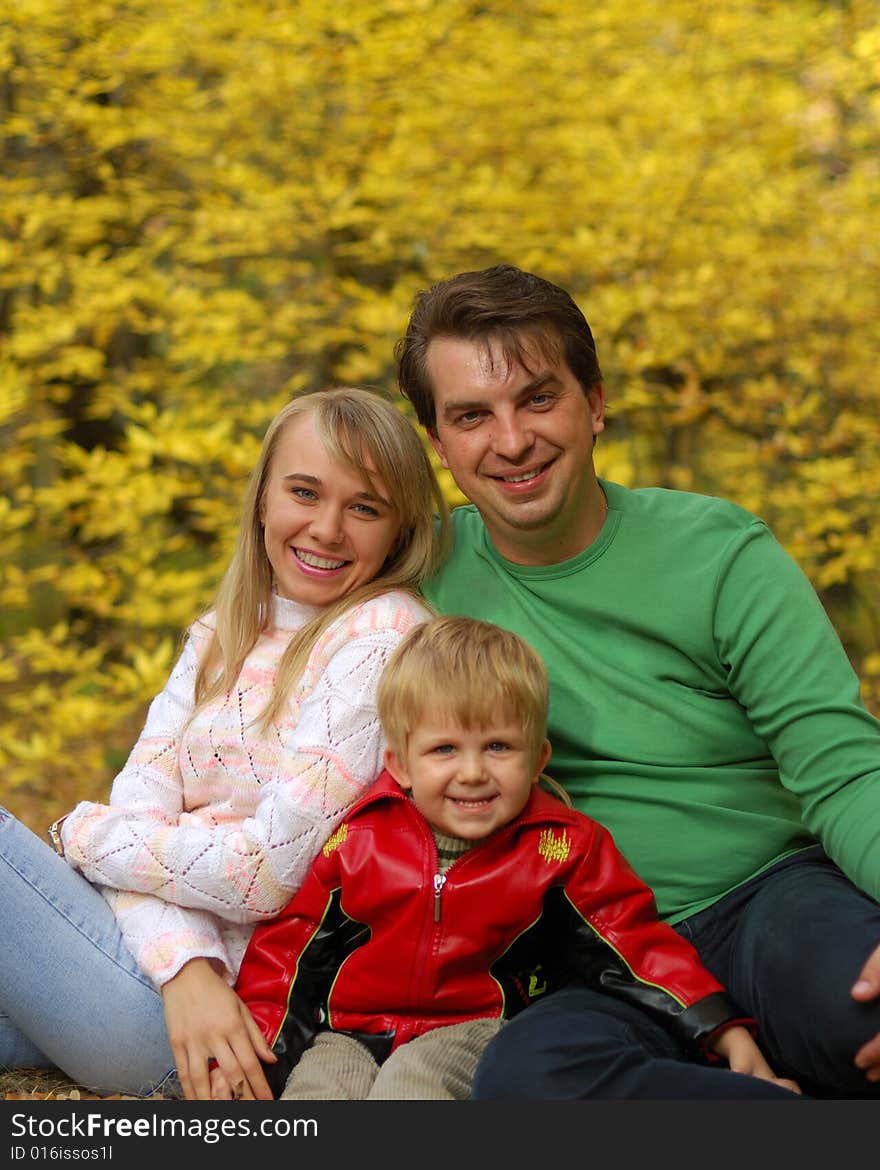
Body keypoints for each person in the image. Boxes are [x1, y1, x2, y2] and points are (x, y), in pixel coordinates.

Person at [394, 263, 880, 1100]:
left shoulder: (720, 555)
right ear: (438, 444)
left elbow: (842, 770)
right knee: (526, 1084)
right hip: (585, 943)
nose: (511, 441)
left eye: (539, 399)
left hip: (770, 899)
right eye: (472, 416)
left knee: (866, 1013)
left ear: (595, 403)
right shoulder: (414, 583)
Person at [0, 385, 449, 1101]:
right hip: (168, 983)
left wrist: (81, 835)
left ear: (399, 529)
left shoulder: (383, 638)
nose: (327, 529)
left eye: (364, 507)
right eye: (304, 492)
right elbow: (139, 814)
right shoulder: (222, 632)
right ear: (264, 499)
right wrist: (185, 967)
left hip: (225, 1021)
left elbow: (262, 874)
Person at [219, 615, 800, 1101]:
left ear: (537, 756)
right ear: (399, 764)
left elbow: (635, 944)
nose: (472, 771)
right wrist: (257, 1051)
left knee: (410, 1092)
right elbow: (291, 952)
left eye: (497, 746)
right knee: (317, 1095)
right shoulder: (359, 838)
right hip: (349, 1029)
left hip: (470, 1029)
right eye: (444, 749)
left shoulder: (560, 848)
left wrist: (719, 1029)